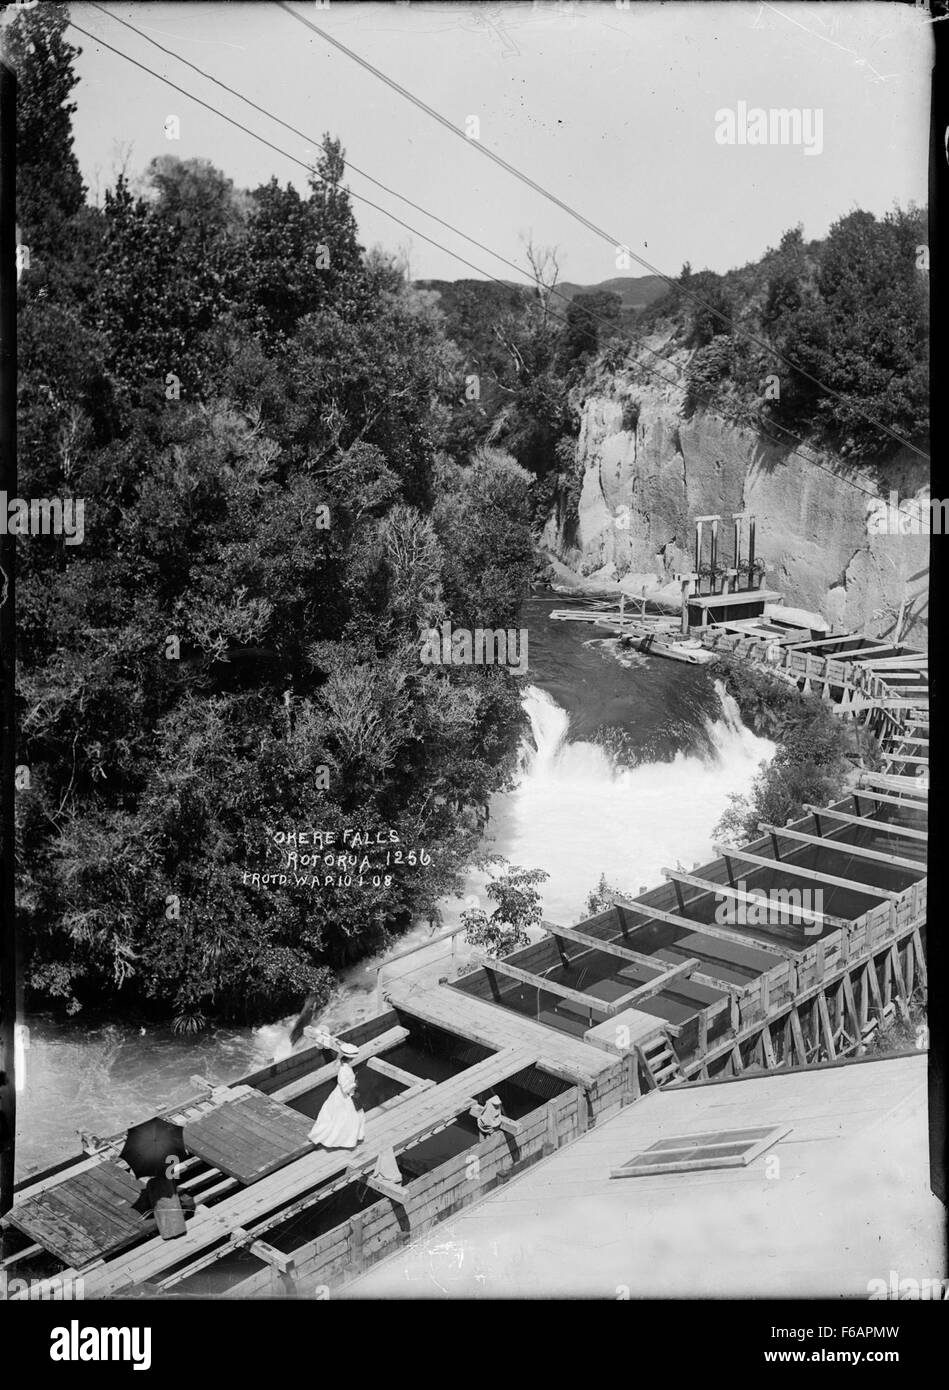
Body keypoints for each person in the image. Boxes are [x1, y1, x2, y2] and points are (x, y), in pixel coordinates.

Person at [308, 1042, 366, 1150]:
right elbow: (345, 1089)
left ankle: (346, 1138)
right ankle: (344, 1139)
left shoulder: (345, 1067)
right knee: (350, 1116)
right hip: (344, 1096)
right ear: (349, 1059)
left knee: (344, 1117)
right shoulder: (344, 1070)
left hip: (341, 1094)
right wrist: (355, 1084)